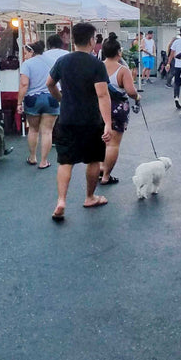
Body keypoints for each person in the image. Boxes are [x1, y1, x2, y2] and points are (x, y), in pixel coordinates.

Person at [45, 22, 112, 221]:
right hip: (91, 120)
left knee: (65, 161)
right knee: (93, 160)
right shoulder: (96, 64)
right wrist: (108, 123)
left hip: (67, 119)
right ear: (92, 41)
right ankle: (90, 197)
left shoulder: (63, 61)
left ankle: (61, 201)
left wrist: (60, 98)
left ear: (73, 40)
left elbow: (49, 84)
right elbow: (102, 95)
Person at [99, 39, 138, 185]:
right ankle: (106, 176)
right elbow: (130, 91)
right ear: (118, 52)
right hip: (117, 108)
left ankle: (100, 168)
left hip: (99, 107)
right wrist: (137, 97)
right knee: (113, 144)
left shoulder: (98, 67)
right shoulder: (123, 70)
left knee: (101, 141)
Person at [17, 40, 59, 169]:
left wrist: (19, 102)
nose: (25, 55)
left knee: (34, 130)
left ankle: (33, 157)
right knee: (47, 131)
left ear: (32, 51)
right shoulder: (53, 62)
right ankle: (44, 161)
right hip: (51, 97)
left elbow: (24, 84)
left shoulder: (27, 64)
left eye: (27, 52)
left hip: (32, 99)